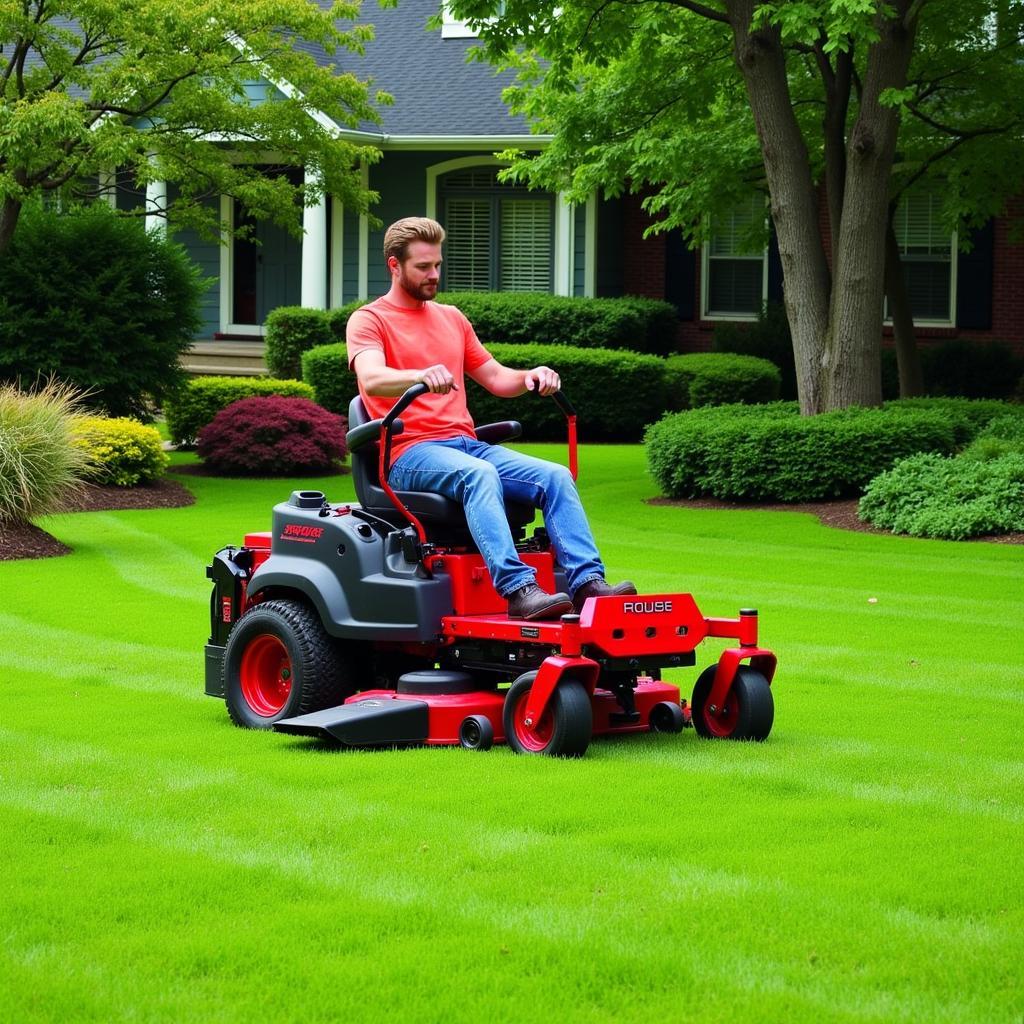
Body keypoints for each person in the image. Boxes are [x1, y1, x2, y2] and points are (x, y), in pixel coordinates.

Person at [345, 216, 636, 622]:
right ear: (395, 265)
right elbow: (371, 379)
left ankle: (587, 584)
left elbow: (498, 378)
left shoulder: (452, 318)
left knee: (555, 477)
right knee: (478, 474)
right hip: (409, 453)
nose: (434, 275)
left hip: (464, 444)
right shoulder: (369, 320)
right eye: (423, 267)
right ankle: (519, 590)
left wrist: (531, 377)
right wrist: (418, 375)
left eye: (437, 265)